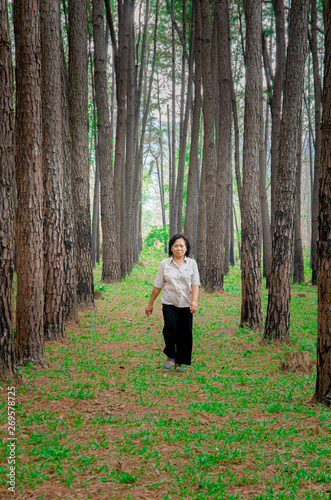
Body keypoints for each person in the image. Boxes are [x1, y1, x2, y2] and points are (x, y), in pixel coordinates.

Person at [145, 233, 200, 373]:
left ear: (186, 248)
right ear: (171, 248)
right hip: (169, 301)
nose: (179, 248)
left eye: (182, 246)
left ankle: (179, 362)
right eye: (176, 246)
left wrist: (194, 301)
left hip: (186, 303)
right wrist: (150, 303)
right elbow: (158, 285)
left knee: (185, 333)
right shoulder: (164, 264)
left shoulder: (192, 264)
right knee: (170, 328)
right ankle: (170, 354)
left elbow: (195, 284)